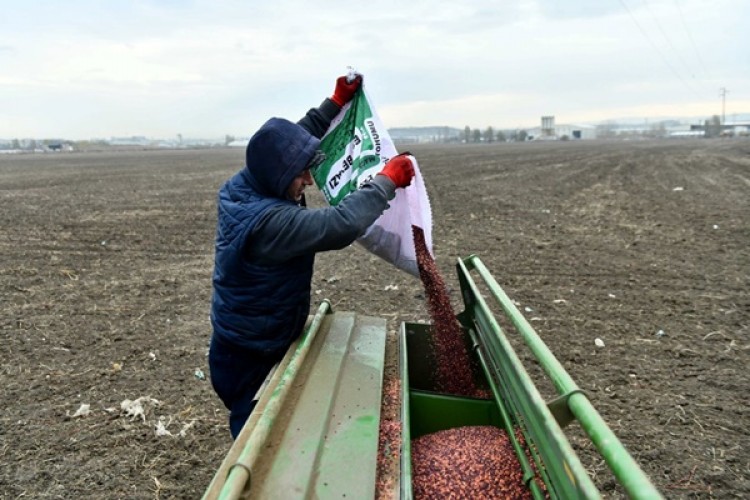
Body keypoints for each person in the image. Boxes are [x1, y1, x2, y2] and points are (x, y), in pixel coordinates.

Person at [209, 74, 415, 438]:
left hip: (257, 338)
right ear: (279, 175)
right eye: (301, 173)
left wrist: (335, 101)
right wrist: (386, 181)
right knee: (257, 440)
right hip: (249, 355)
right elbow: (339, 225)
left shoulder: (254, 179)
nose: (309, 179)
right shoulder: (268, 223)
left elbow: (290, 144)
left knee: (276, 430)